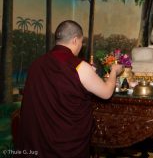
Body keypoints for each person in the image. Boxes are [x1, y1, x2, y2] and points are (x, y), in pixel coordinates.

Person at [15, 20, 123, 157]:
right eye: (80, 42)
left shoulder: (37, 64)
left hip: (38, 141)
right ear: (75, 40)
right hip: (66, 144)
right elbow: (107, 93)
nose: (80, 46)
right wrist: (114, 71)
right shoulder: (79, 66)